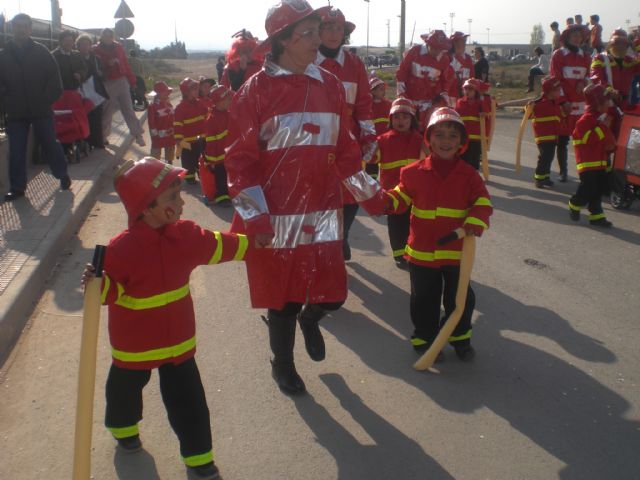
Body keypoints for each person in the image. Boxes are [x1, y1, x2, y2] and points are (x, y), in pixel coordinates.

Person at [225, 0, 387, 396]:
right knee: (282, 299)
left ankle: (312, 318)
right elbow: (240, 163)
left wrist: (375, 197)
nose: (321, 39)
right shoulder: (255, 92)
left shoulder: (329, 84)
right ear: (282, 40)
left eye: (320, 30)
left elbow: (347, 151)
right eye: (310, 32)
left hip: (324, 208)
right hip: (276, 214)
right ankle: (282, 363)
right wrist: (257, 219)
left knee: (333, 293)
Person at [82, 157, 248, 480]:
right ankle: (124, 428)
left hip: (177, 345)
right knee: (124, 390)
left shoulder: (185, 236)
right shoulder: (120, 250)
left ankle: (200, 459)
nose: (181, 202)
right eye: (173, 197)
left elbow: (219, 246)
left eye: (179, 194)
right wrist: (96, 286)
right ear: (147, 207)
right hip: (136, 347)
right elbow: (108, 294)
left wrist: (250, 245)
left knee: (190, 404)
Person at [385, 107, 492, 361]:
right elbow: (400, 198)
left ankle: (459, 338)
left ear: (462, 143)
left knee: (461, 299)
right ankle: (425, 337)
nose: (446, 141)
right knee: (423, 298)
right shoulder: (411, 172)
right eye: (440, 134)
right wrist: (385, 201)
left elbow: (483, 202)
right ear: (428, 139)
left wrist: (474, 221)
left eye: (452, 136)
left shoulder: (469, 175)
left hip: (456, 251)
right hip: (421, 251)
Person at [315, 6, 377, 261]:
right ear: (317, 31)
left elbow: (363, 104)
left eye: (338, 28)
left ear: (344, 34)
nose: (332, 33)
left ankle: (342, 236)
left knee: (351, 194)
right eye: (327, 27)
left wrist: (369, 135)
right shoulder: (305, 61)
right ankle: (326, 243)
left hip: (347, 143)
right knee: (319, 196)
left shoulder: (354, 65)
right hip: (313, 142)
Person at [0, 13, 71, 201]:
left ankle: (62, 175)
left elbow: (56, 83)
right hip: (16, 112)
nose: (21, 29)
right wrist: (7, 98)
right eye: (17, 26)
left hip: (40, 110)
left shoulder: (41, 52)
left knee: (50, 144)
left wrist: (43, 100)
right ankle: (17, 188)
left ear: (30, 29)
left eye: (24, 26)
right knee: (16, 150)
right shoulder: (3, 55)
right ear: (11, 28)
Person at [374, 97, 424, 269]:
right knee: (396, 224)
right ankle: (399, 254)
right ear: (390, 120)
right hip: (392, 193)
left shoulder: (419, 140)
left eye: (405, 117)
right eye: (396, 117)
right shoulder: (382, 140)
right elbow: (371, 158)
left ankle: (411, 251)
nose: (401, 121)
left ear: (412, 120)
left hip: (415, 192)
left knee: (413, 223)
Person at [568, 84, 616, 228]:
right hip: (587, 163)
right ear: (597, 103)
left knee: (599, 189)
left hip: (601, 161)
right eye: (606, 101)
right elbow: (586, 140)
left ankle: (597, 216)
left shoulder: (601, 117)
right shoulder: (585, 120)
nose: (609, 104)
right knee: (588, 188)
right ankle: (574, 204)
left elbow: (606, 138)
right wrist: (603, 127)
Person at [93, 28, 145, 146]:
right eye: (105, 36)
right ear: (101, 37)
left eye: (110, 35)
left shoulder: (119, 47)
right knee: (108, 111)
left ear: (113, 37)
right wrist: (107, 65)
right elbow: (95, 67)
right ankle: (103, 136)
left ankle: (137, 134)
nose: (108, 38)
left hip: (121, 80)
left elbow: (125, 65)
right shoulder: (96, 50)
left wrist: (132, 81)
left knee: (128, 108)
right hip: (108, 82)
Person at [396, 29, 455, 129]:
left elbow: (445, 82)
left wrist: (442, 97)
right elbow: (401, 73)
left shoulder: (444, 60)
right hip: (410, 99)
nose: (437, 52)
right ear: (428, 44)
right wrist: (402, 95)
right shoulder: (414, 52)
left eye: (440, 49)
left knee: (429, 129)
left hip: (430, 103)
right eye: (435, 48)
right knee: (409, 129)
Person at [550, 24, 590, 136]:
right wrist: (562, 101)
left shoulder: (586, 57)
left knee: (582, 138)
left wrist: (583, 82)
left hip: (582, 104)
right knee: (562, 140)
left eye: (580, 36)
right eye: (574, 35)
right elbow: (555, 79)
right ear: (567, 37)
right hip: (565, 105)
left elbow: (590, 76)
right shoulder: (558, 55)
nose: (577, 39)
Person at [528, 77, 567, 187]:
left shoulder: (555, 103)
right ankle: (539, 178)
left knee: (549, 157)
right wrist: (529, 106)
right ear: (550, 91)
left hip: (553, 136)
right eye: (558, 90)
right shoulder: (539, 103)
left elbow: (560, 118)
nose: (560, 92)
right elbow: (528, 114)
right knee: (544, 157)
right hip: (543, 137)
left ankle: (545, 177)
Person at [591, 29, 640, 115]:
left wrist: (637, 46)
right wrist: (609, 90)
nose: (620, 46)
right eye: (617, 42)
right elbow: (596, 77)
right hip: (606, 104)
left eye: (624, 43)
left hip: (625, 105)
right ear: (610, 44)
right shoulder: (600, 58)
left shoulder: (630, 61)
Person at [76, 34, 109, 149]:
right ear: (78, 46)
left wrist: (101, 75)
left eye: (87, 44)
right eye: (82, 44)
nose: (85, 47)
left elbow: (104, 74)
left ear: (91, 46)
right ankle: (86, 142)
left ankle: (97, 142)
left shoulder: (96, 59)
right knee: (85, 117)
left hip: (96, 91)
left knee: (97, 116)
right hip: (81, 92)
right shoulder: (74, 58)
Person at [201, 85, 232, 205]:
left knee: (227, 176)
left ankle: (228, 194)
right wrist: (212, 161)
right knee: (221, 178)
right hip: (218, 158)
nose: (230, 101)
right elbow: (210, 143)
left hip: (227, 154)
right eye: (228, 99)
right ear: (219, 102)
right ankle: (222, 197)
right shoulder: (212, 119)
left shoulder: (227, 113)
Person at [174, 77, 207, 184]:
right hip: (187, 142)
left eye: (197, 88)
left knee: (200, 160)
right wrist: (179, 140)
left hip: (200, 140)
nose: (197, 91)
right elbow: (177, 125)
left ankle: (201, 175)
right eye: (194, 89)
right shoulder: (180, 108)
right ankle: (190, 178)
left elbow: (207, 117)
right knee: (188, 161)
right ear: (186, 92)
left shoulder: (201, 104)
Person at [455, 78, 492, 170]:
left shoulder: (481, 102)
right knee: (462, 160)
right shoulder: (460, 102)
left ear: (476, 91)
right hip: (463, 138)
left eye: (470, 89)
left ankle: (472, 179)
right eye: (466, 89)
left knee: (474, 162)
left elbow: (488, 116)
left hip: (476, 139)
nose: (467, 91)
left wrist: (484, 114)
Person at [368, 74, 391, 180]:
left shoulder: (389, 105)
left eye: (384, 89)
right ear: (372, 91)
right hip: (373, 139)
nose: (384, 91)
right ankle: (371, 181)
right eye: (380, 89)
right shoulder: (367, 106)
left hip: (386, 139)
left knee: (387, 160)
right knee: (372, 161)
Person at [147, 81, 176, 164]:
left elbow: (173, 118)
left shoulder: (169, 104)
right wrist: (155, 136)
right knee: (155, 158)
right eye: (165, 92)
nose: (167, 94)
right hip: (158, 137)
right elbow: (151, 123)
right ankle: (154, 171)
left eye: (167, 92)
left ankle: (169, 170)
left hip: (170, 135)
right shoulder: (152, 106)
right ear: (158, 93)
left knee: (170, 156)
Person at [449, 31, 474, 104]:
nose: (464, 44)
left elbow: (472, 77)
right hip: (450, 96)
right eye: (462, 41)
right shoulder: (448, 57)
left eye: (465, 41)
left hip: (465, 95)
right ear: (454, 43)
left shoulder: (468, 58)